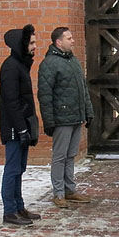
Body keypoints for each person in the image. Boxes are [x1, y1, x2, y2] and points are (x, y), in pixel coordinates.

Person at [37, 26, 94, 208]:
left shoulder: (74, 62)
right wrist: (49, 121)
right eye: (69, 38)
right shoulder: (49, 64)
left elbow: (83, 90)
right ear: (58, 42)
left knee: (71, 155)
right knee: (60, 156)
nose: (73, 41)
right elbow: (45, 95)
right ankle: (58, 193)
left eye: (72, 37)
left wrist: (88, 111)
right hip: (62, 118)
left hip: (76, 116)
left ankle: (70, 189)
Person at [0, 23, 42, 227]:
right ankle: (9, 211)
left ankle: (19, 206)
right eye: (31, 43)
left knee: (20, 168)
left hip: (22, 124)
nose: (35, 46)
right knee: (13, 169)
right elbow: (11, 102)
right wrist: (21, 128)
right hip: (15, 127)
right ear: (21, 44)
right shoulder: (10, 67)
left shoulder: (20, 65)